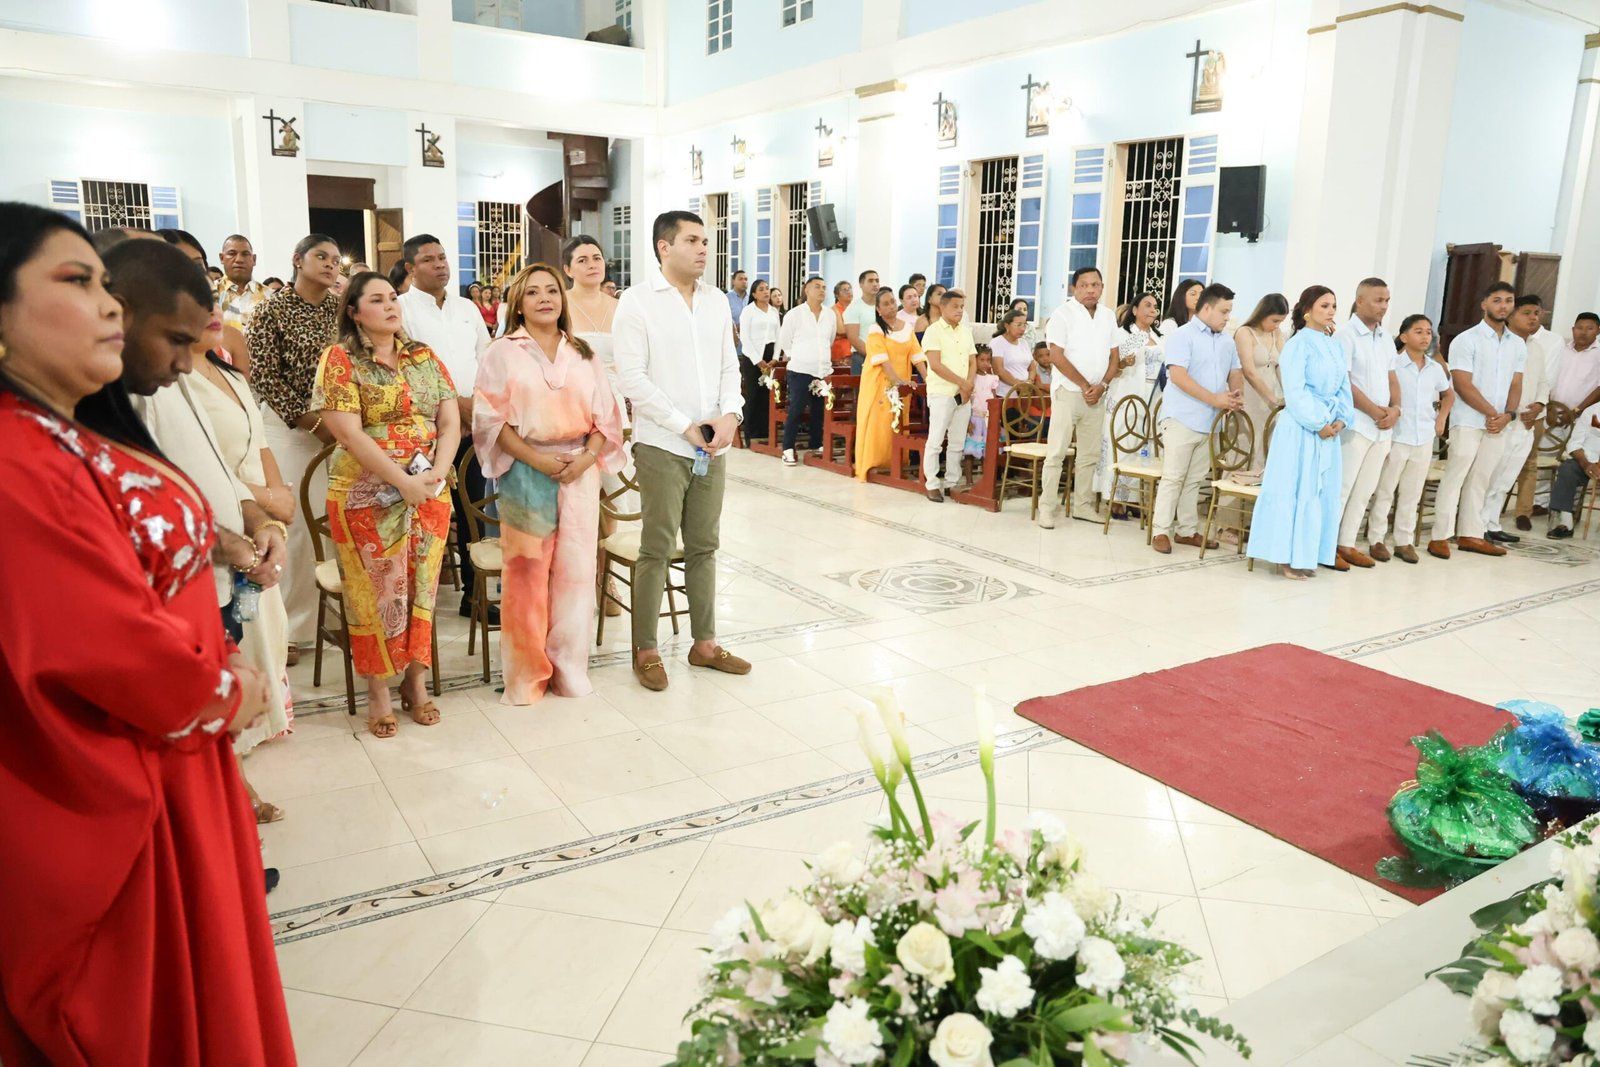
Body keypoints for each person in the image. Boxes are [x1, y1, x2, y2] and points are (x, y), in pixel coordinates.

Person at [0, 201, 292, 1065]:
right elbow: (94, 640)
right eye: (75, 280)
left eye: (103, 283)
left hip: (175, 755)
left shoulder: (68, 434)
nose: (107, 307)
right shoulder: (19, 455)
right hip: (131, 756)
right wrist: (223, 688)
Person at [312, 272, 459, 737]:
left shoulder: (423, 356)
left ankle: (415, 683)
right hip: (365, 495)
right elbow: (348, 432)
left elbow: (450, 418)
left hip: (429, 492)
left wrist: (437, 472)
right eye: (377, 299)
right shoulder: (340, 359)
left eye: (393, 297)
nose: (391, 305)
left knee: (421, 588)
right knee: (372, 595)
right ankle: (378, 690)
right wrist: (401, 480)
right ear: (354, 312)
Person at [473, 263, 624, 703]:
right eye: (534, 291)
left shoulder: (583, 353)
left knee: (576, 573)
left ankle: (569, 669)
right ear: (518, 303)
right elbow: (489, 420)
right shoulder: (502, 352)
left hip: (580, 469)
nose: (545, 298)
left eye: (552, 290)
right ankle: (525, 673)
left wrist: (589, 459)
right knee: (526, 575)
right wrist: (537, 459)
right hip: (525, 469)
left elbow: (606, 416)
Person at [613, 210, 750, 691]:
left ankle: (704, 644)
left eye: (705, 241)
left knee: (705, 545)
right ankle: (645, 649)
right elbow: (633, 379)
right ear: (663, 247)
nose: (702, 249)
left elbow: (730, 366)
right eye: (692, 240)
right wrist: (683, 426)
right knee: (656, 547)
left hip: (713, 446)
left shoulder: (715, 302)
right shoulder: (637, 302)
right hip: (663, 444)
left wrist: (730, 415)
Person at [246, 232, 342, 662]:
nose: (330, 265)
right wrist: (310, 421)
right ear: (297, 259)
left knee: (335, 521)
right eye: (321, 256)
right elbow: (264, 374)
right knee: (299, 527)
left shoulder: (341, 311)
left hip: (339, 428)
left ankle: (336, 619)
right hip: (291, 429)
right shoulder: (272, 310)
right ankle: (289, 629)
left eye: (336, 259)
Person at [397, 232, 493, 624]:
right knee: (426, 517)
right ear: (410, 268)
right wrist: (456, 407)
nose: (440, 265)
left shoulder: (467, 308)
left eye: (442, 257)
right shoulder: (401, 308)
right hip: (425, 429)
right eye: (429, 260)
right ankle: (419, 603)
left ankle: (476, 596)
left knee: (473, 513)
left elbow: (487, 361)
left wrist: (477, 408)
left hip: (473, 425)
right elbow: (406, 368)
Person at [1247, 286, 1354, 579]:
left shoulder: (1334, 346)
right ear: (1307, 310)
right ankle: (1284, 557)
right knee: (1293, 491)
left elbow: (1344, 387)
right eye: (1324, 305)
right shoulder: (1297, 345)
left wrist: (1341, 419)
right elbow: (1295, 391)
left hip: (1328, 430)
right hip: (1302, 429)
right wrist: (1319, 422)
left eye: (1334, 305)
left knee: (1320, 492)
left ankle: (1308, 553)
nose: (1331, 310)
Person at [1427, 281, 1526, 559]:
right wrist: (1492, 413)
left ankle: (1471, 533)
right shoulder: (1466, 339)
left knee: (1482, 479)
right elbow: (1462, 383)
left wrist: (1508, 415)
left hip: (1499, 423)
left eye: (1508, 300)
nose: (1503, 306)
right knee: (1457, 475)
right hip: (1469, 420)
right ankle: (1439, 536)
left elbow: (1516, 383)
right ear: (1484, 303)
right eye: (1497, 300)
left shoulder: (1517, 344)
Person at [1149, 283, 1244, 553]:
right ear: (1206, 308)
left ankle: (1187, 530)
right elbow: (1178, 377)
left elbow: (1235, 370)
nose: (1228, 317)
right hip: (1182, 417)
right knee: (1173, 477)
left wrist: (1236, 393)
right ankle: (1160, 531)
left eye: (1229, 312)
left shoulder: (1227, 340)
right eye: (1224, 311)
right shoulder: (1182, 335)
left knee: (1195, 479)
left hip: (1211, 421)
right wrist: (1215, 399)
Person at [561, 234, 626, 617]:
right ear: (568, 268)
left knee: (614, 494)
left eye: (597, 257)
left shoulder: (621, 307)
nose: (591, 264)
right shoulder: (560, 305)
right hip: (574, 405)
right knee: (579, 495)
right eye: (582, 259)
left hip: (617, 405)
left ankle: (608, 575)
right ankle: (578, 577)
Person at [1365, 314, 1453, 563]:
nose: (1425, 336)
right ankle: (1377, 539)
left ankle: (1403, 541)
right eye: (1418, 331)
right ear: (1404, 336)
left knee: (1412, 493)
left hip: (1423, 437)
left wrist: (1441, 419)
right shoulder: (1392, 363)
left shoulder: (1435, 368)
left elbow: (1449, 395)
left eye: (1428, 332)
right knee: (1385, 490)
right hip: (1397, 435)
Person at [1039, 266, 1119, 527]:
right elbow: (1056, 357)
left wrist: (1103, 384)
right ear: (1074, 288)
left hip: (1097, 394)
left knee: (1090, 455)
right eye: (1084, 285)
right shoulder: (1062, 314)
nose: (1090, 289)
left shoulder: (1108, 316)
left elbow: (1114, 356)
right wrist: (1086, 385)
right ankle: (1047, 508)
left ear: (1102, 288)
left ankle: (1083, 505)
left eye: (1095, 285)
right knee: (1057, 453)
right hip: (1069, 393)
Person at [1332, 278, 1401, 568]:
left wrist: (1396, 408)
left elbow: (1392, 377)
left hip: (1383, 426)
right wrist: (1374, 410)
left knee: (1366, 489)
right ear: (1360, 301)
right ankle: (1326, 546)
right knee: (1342, 487)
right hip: (1356, 423)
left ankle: (1346, 543)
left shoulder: (1385, 337)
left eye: (1386, 300)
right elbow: (1344, 382)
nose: (1383, 306)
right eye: (1377, 300)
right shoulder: (1345, 336)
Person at [1482, 294, 1557, 541]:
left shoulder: (1536, 348)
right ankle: (1477, 526)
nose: (1533, 318)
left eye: (1536, 313)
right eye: (1526, 312)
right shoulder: (1503, 344)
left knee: (1508, 476)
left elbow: (1543, 382)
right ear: (1512, 315)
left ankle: (1492, 524)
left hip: (1527, 422)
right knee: (1491, 475)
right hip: (1504, 419)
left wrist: (1538, 405)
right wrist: (1511, 412)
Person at [855, 285, 926, 481]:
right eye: (885, 304)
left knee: (898, 422)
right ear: (878, 309)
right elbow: (882, 359)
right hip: (880, 383)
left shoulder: (907, 328)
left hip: (901, 385)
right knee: (880, 423)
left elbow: (917, 355)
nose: (891, 306)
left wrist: (927, 379)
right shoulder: (876, 329)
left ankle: (896, 463)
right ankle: (873, 464)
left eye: (893, 302)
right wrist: (897, 380)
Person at [1096, 292, 1159, 509]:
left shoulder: (1159, 337)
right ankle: (1115, 498)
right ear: (1134, 310)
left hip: (1151, 397)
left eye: (1155, 306)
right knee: (1122, 444)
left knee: (1143, 447)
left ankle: (1134, 498)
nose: (1152, 310)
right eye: (1147, 305)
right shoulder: (1122, 335)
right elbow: (1111, 365)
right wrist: (1122, 363)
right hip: (1125, 394)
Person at [920, 288, 976, 502]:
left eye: (962, 307)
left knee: (957, 441)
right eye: (955, 306)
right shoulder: (933, 331)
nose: (959, 311)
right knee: (935, 440)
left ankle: (952, 483)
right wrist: (963, 383)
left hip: (964, 393)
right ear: (942, 306)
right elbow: (935, 364)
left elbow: (972, 360)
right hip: (942, 392)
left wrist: (968, 384)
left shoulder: (965, 331)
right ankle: (932, 483)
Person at [778, 275, 836, 467]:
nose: (822, 290)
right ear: (807, 290)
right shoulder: (794, 314)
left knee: (819, 410)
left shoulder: (830, 314)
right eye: (817, 286)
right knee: (796, 409)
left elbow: (830, 339)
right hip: (800, 369)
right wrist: (799, 355)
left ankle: (817, 444)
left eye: (824, 287)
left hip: (822, 369)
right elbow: (785, 341)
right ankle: (787, 449)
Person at [1235, 292, 1288, 465]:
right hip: (1252, 395)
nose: (1277, 325)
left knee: (1267, 446)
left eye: (1281, 321)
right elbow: (1249, 371)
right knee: (1248, 444)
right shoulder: (1245, 332)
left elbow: (1282, 365)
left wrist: (1287, 394)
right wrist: (1272, 398)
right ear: (1263, 314)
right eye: (1274, 320)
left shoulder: (1276, 334)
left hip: (1273, 394)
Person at [1547, 400, 1600, 538]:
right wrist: (1586, 464)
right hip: (1588, 460)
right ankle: (1565, 523)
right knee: (1567, 469)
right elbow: (1575, 443)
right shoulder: (1592, 411)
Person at [739, 278, 781, 441]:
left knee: (766, 395)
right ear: (755, 294)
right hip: (752, 356)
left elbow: (778, 336)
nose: (766, 292)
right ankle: (750, 432)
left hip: (770, 355)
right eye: (761, 289)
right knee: (753, 394)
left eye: (767, 289)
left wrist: (775, 358)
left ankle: (765, 431)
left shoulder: (773, 311)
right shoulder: (748, 311)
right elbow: (745, 338)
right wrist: (758, 360)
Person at [215, 233, 270, 333]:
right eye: (232, 254)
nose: (239, 259)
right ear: (221, 258)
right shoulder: (209, 293)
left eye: (245, 254)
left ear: (254, 259)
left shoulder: (271, 296)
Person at [961, 347, 999, 485]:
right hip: (973, 418)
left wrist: (996, 418)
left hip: (987, 419)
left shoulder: (992, 379)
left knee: (986, 451)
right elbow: (966, 401)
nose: (985, 363)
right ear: (974, 360)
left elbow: (994, 399)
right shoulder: (970, 378)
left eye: (988, 360)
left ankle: (985, 482)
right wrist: (967, 421)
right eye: (981, 360)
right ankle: (969, 482)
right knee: (970, 452)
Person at [991, 307, 1036, 398]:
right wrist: (1018, 384)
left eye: (1024, 325)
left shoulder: (1024, 343)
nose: (1023, 329)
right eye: (1018, 325)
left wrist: (1030, 381)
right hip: (1006, 394)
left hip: (1025, 394)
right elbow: (999, 370)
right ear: (1007, 326)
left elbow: (1032, 367)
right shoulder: (997, 343)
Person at [845, 268, 880, 377]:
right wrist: (873, 355)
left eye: (877, 281)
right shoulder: (854, 308)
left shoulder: (882, 306)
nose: (875, 284)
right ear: (861, 284)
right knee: (863, 393)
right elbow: (853, 338)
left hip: (883, 355)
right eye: (870, 281)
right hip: (862, 356)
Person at [726, 268, 749, 365]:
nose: (744, 281)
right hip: (733, 348)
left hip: (750, 349)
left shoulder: (752, 299)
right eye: (740, 279)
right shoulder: (726, 298)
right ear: (733, 281)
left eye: (746, 279)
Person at [831, 280, 854, 366]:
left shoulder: (855, 308)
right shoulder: (834, 309)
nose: (849, 292)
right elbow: (841, 330)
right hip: (841, 351)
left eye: (850, 289)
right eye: (845, 290)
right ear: (837, 295)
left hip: (855, 349)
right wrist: (856, 330)